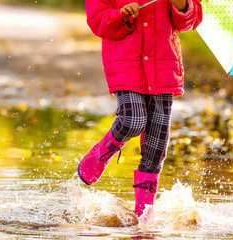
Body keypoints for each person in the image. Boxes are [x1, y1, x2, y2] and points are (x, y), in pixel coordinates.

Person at [78, 0, 202, 221]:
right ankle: (102, 152)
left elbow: (191, 21)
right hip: (126, 65)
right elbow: (98, 21)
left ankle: (144, 214)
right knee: (132, 120)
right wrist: (120, 15)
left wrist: (182, 4)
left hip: (164, 67)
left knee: (157, 145)